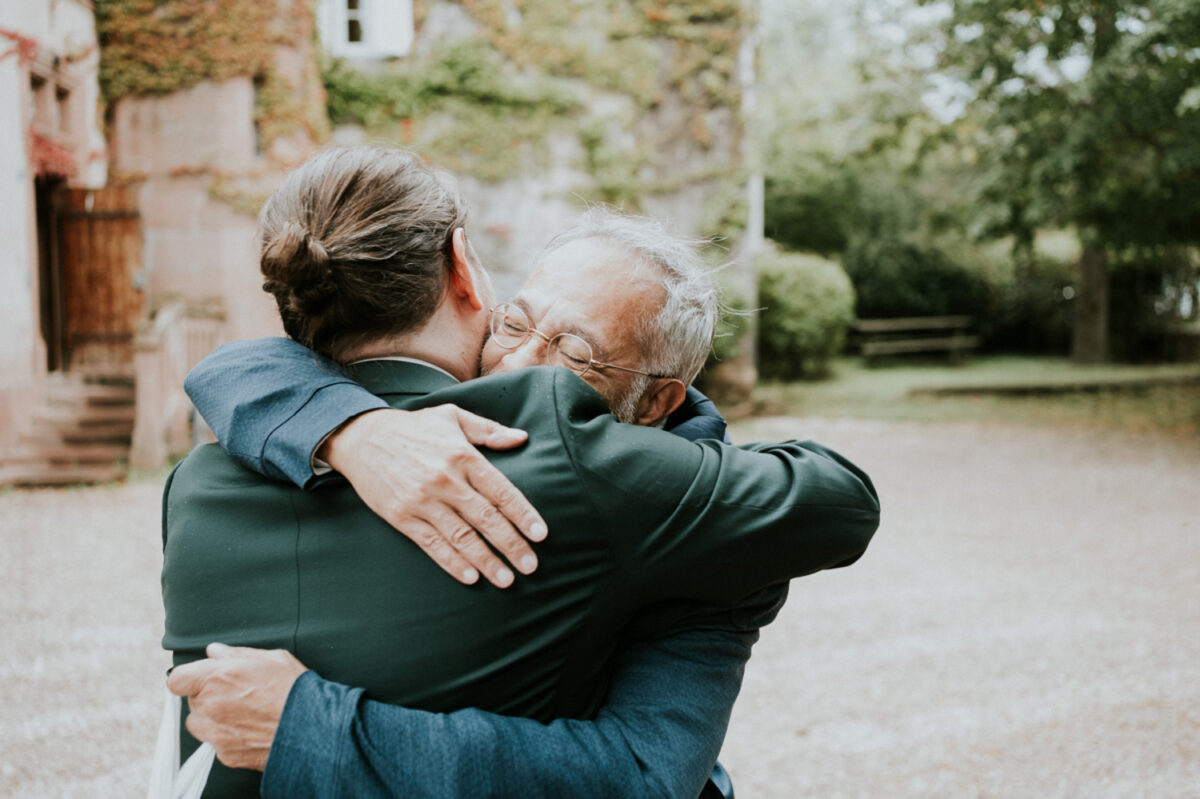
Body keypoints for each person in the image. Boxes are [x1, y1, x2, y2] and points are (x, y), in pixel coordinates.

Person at [162, 146, 880, 798]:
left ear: (660, 400)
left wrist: (310, 729)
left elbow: (648, 769)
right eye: (515, 322)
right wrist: (353, 430)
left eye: (576, 354)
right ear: (468, 273)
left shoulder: (193, 484)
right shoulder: (292, 425)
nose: (517, 370)